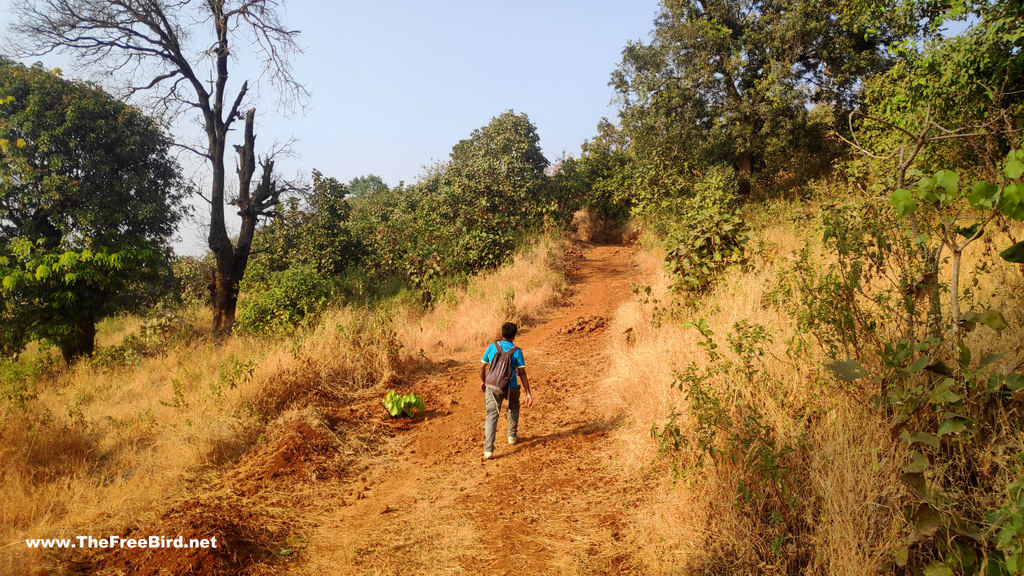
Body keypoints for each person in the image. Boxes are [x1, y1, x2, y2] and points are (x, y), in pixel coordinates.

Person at [480, 322, 533, 459]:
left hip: (492, 386)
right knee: (514, 407)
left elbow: (482, 367)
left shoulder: (492, 347)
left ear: (501, 334)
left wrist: (483, 381)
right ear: (514, 336)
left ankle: (488, 450)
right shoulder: (517, 351)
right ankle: (511, 436)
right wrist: (528, 392)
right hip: (511, 386)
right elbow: (522, 372)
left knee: (492, 415)